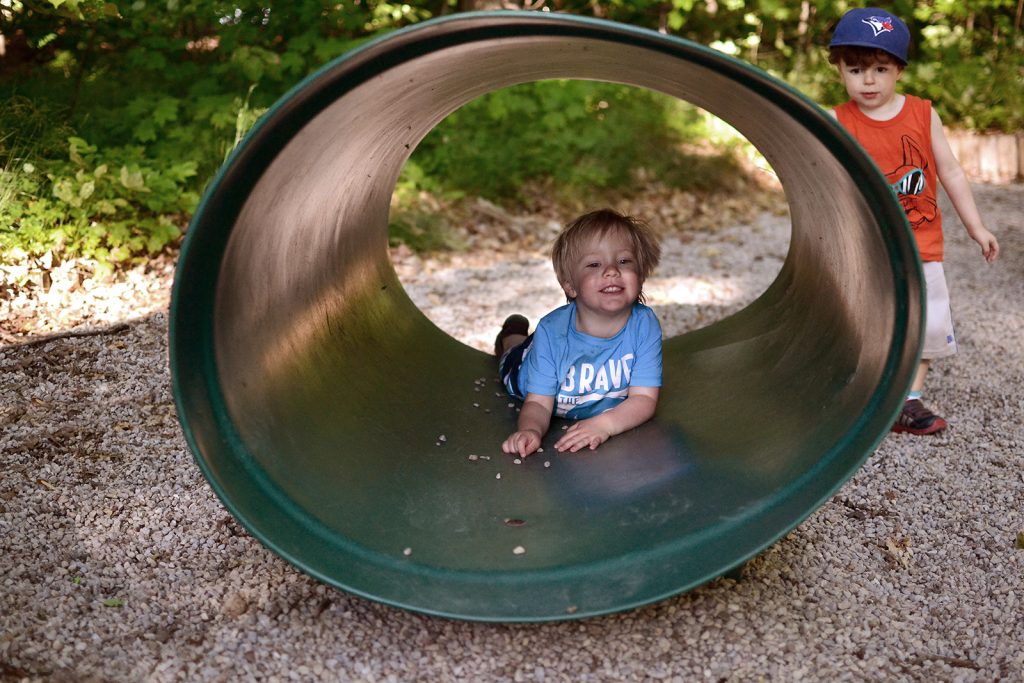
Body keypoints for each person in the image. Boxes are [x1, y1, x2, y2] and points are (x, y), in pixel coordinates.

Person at [827, 7, 999, 435]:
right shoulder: (838, 121)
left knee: (924, 323)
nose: (868, 81)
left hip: (921, 247)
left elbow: (952, 172)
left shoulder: (922, 114)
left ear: (898, 70)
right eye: (856, 70)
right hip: (867, 250)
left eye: (880, 69)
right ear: (840, 71)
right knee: (865, 320)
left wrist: (976, 227)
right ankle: (861, 391)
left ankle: (910, 400)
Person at [494, 208, 663, 457]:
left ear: (641, 274)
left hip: (554, 351)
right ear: (570, 285)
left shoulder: (644, 325)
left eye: (624, 261)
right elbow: (539, 402)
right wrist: (530, 431)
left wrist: (604, 425)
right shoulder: (552, 333)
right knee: (513, 355)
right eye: (594, 264)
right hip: (527, 369)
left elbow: (644, 399)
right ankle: (511, 334)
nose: (611, 270)